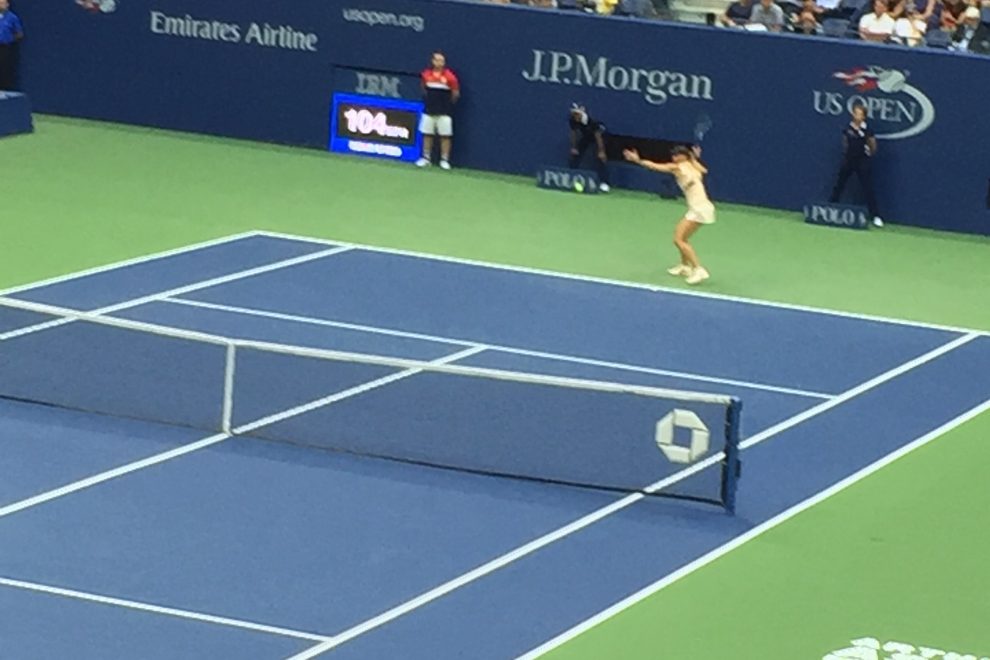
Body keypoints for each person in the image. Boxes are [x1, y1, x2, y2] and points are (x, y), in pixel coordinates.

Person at [623, 145, 715, 285]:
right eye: (673, 155)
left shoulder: (677, 167)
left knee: (679, 240)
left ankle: (698, 269)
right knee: (682, 238)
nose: (674, 157)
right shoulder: (694, 166)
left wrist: (638, 160)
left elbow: (655, 166)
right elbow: (704, 170)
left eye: (677, 155)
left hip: (699, 209)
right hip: (700, 208)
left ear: (684, 156)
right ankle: (685, 266)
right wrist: (694, 158)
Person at [829, 103, 883, 227]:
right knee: (839, 185)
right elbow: (845, 143)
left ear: (864, 117)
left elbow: (873, 146)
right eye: (855, 113)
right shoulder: (847, 128)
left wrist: (867, 154)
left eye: (859, 114)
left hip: (862, 162)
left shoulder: (868, 130)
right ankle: (830, 208)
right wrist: (848, 154)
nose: (857, 116)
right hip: (849, 160)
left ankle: (876, 216)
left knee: (868, 189)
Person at [416, 52, 460, 170]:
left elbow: (455, 94)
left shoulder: (450, 77)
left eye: (442, 61)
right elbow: (423, 90)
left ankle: (444, 160)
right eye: (437, 60)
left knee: (445, 136)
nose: (440, 63)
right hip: (429, 111)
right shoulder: (426, 75)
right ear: (433, 61)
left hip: (444, 112)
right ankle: (426, 158)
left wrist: (446, 106)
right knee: (427, 135)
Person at [568, 104, 610, 193]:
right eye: (574, 114)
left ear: (582, 113)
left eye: (577, 114)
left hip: (600, 136)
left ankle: (604, 183)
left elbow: (598, 136)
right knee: (575, 155)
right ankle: (571, 177)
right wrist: (574, 147)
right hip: (587, 136)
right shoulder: (573, 120)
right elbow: (574, 133)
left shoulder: (592, 121)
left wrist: (601, 151)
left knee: (600, 158)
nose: (575, 116)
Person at [0, 0, 24, 91]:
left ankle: (3, 88)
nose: (0, 5)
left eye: (2, 3)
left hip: (5, 47)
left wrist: (9, 39)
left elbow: (19, 34)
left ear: (7, 4)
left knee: (4, 67)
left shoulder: (12, 18)